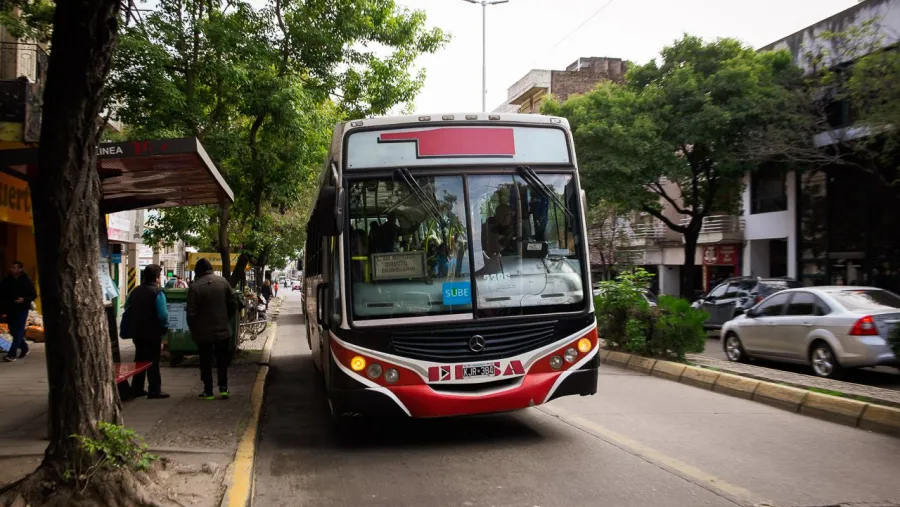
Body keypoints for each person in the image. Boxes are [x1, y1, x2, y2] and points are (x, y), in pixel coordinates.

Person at [187, 258, 237, 400]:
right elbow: (233, 304)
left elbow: (191, 313)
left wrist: (193, 328)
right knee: (222, 360)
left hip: (203, 333)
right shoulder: (223, 282)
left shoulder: (195, 287)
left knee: (205, 361)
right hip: (222, 330)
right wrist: (225, 319)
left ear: (198, 271)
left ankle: (208, 391)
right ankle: (223, 388)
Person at [127, 264, 170, 398]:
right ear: (157, 278)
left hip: (137, 331)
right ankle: (154, 390)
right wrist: (165, 328)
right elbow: (163, 315)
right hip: (152, 332)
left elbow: (127, 307)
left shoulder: (135, 291)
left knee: (139, 359)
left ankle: (137, 388)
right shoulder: (157, 293)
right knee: (153, 361)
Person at [2, 261, 37, 362]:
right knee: (13, 330)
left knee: (18, 331)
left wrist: (24, 299)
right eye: (11, 267)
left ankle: (11, 354)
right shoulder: (7, 280)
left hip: (22, 308)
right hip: (10, 308)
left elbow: (33, 295)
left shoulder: (26, 281)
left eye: (14, 268)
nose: (12, 269)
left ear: (20, 269)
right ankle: (24, 347)